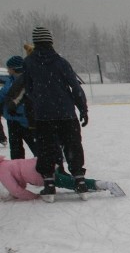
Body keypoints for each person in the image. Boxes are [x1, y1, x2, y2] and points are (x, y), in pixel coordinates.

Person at [23, 27, 89, 202]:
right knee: (72, 145)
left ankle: (49, 183)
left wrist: (40, 100)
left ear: (35, 43)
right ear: (50, 42)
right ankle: (79, 180)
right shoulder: (60, 62)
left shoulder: (29, 63)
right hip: (66, 113)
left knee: (46, 148)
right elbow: (75, 87)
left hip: (44, 115)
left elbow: (28, 89)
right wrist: (82, 108)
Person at [0, 155, 104, 200]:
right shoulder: (5, 163)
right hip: (41, 163)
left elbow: (16, 190)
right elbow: (19, 180)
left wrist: (34, 197)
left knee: (70, 182)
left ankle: (97, 184)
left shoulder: (2, 171)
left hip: (40, 173)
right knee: (65, 179)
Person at [0, 56, 37, 159]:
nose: (7, 70)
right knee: (16, 150)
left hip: (26, 121)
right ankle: (17, 169)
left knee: (36, 146)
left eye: (9, 68)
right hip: (12, 120)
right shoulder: (10, 80)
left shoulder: (27, 80)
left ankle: (46, 169)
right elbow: (2, 96)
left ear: (14, 68)